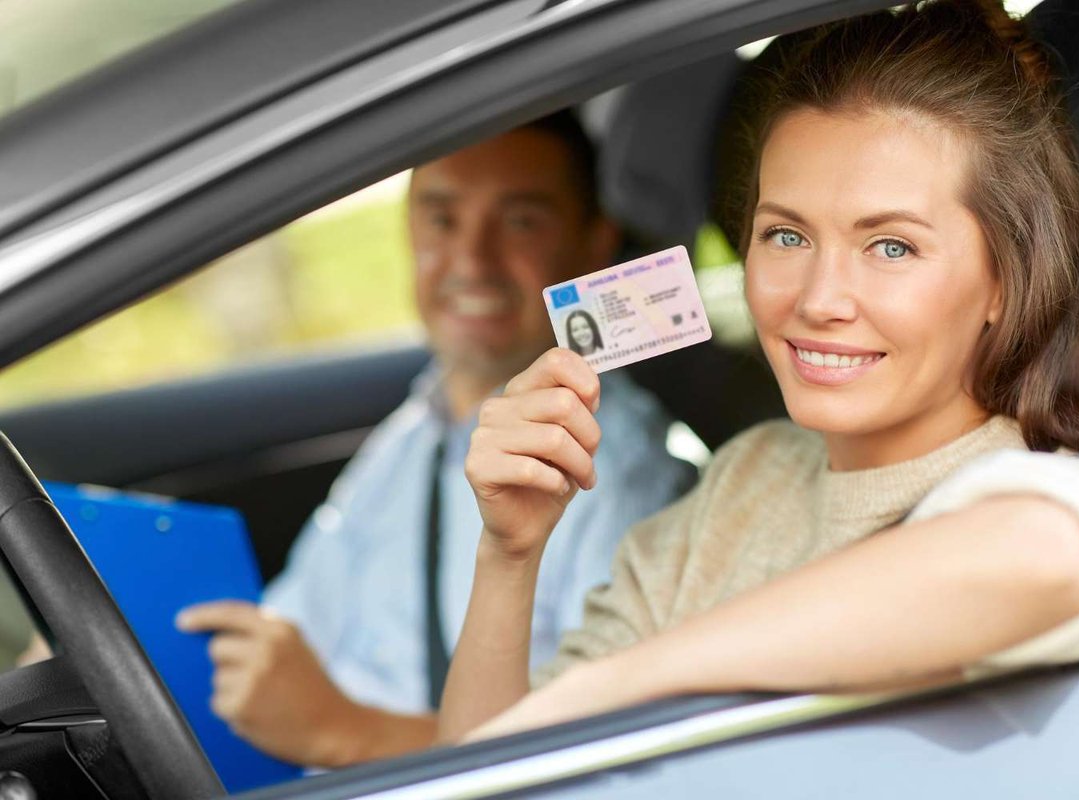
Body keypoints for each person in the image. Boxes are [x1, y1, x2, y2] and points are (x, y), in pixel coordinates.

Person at [437, 0, 1079, 742]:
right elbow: (491, 770)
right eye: (787, 235)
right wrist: (510, 554)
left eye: (891, 247)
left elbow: (1051, 551)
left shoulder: (1059, 493)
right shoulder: (743, 485)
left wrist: (627, 683)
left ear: (1004, 280)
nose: (819, 300)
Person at [174, 112, 696, 766]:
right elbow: (296, 621)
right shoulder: (416, 426)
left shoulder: (614, 477)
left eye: (520, 222)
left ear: (595, 245)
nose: (471, 262)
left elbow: (594, 753)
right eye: (442, 220)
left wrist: (342, 731)